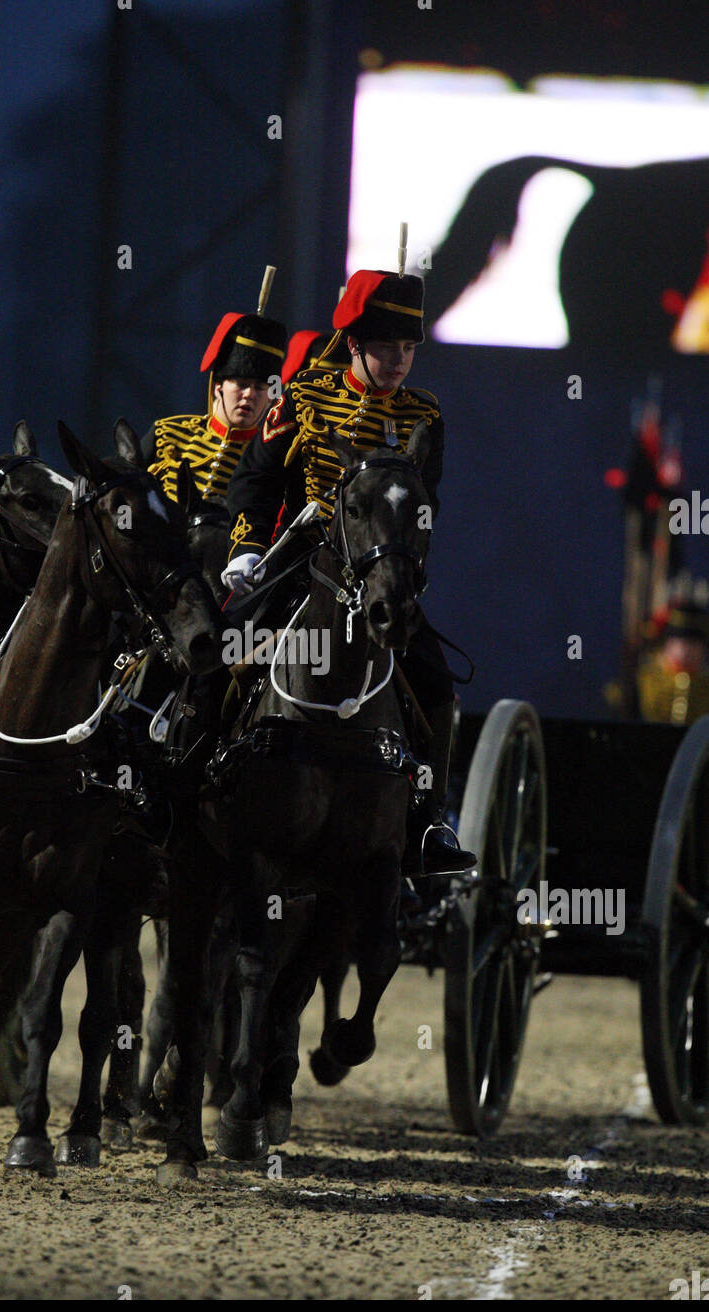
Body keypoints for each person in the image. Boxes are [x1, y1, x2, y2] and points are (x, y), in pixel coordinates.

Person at [222, 266, 475, 875]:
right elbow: (255, 482)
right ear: (356, 344)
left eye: (409, 348)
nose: (399, 361)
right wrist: (246, 549)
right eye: (387, 348)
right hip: (305, 557)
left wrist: (409, 567)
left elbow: (425, 504)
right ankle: (193, 768)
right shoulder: (303, 397)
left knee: (436, 685)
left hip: (383, 566)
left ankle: (428, 816)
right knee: (226, 646)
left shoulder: (423, 414)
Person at [141, 311, 287, 502]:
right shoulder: (166, 434)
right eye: (241, 384)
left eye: (260, 388)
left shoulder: (269, 459)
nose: (249, 394)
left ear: (270, 398)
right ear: (218, 386)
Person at [637, 599, 709, 724]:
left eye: (694, 644)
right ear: (668, 644)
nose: (688, 650)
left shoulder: (704, 684)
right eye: (682, 642)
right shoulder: (645, 679)